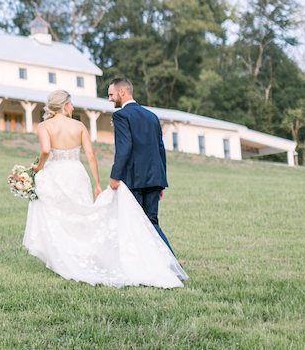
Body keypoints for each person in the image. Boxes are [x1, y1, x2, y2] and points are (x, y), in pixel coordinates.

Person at [22, 89, 187, 288]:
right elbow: (91, 156)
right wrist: (98, 183)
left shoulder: (44, 126)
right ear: (64, 105)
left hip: (55, 173)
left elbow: (46, 150)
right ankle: (82, 256)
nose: (73, 107)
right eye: (71, 104)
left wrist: (38, 167)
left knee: (59, 216)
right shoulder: (79, 126)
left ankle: (63, 257)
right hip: (76, 173)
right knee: (82, 217)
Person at [107, 77, 173, 252]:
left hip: (134, 179)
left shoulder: (120, 115)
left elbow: (124, 147)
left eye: (111, 94)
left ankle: (156, 263)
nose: (110, 99)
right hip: (154, 177)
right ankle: (169, 263)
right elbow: (160, 149)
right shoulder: (152, 116)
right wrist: (161, 182)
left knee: (133, 222)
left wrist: (115, 176)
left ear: (122, 92)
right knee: (151, 222)